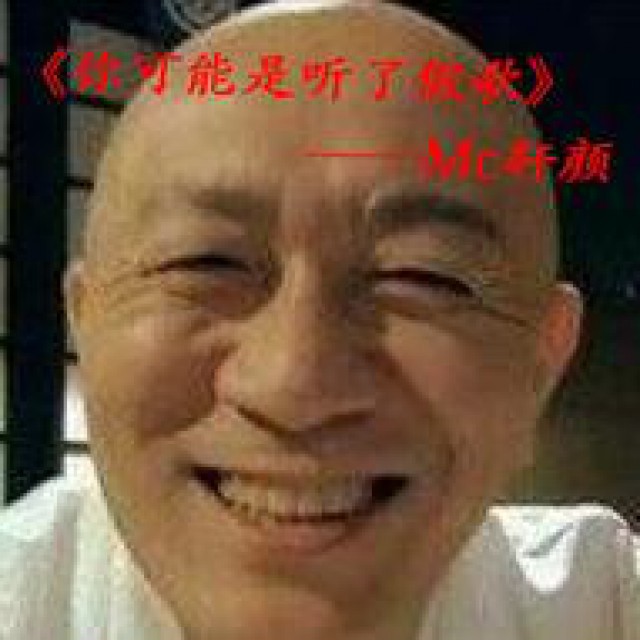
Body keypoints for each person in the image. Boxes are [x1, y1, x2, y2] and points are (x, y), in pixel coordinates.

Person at [1, 2, 638, 639]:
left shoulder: (600, 605)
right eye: (205, 263)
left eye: (421, 276)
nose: (295, 385)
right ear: (84, 323)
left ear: (542, 366)